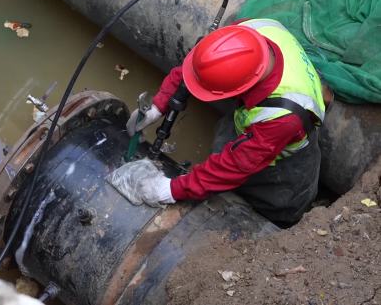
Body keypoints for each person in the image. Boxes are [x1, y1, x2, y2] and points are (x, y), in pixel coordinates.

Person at [126, 18, 327, 225]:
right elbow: (197, 67)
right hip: (255, 121)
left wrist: (170, 190)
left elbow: (234, 167)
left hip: (283, 168)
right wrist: (159, 106)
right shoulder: (246, 35)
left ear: (242, 87)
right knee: (223, 150)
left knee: (278, 209)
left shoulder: (283, 117)